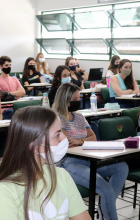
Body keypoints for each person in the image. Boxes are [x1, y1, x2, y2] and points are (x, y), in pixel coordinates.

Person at [0, 106, 90, 220]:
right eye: (57, 135)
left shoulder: (61, 175)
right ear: (35, 146)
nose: (64, 138)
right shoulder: (4, 191)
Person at [53, 83, 128, 219]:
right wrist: (83, 140)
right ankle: (108, 212)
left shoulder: (79, 117)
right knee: (106, 190)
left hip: (88, 158)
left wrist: (80, 141)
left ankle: (104, 207)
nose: (78, 101)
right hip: (69, 163)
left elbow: (93, 137)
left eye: (78, 98)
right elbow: (67, 143)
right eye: (74, 99)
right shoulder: (57, 119)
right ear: (65, 100)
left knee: (121, 167)